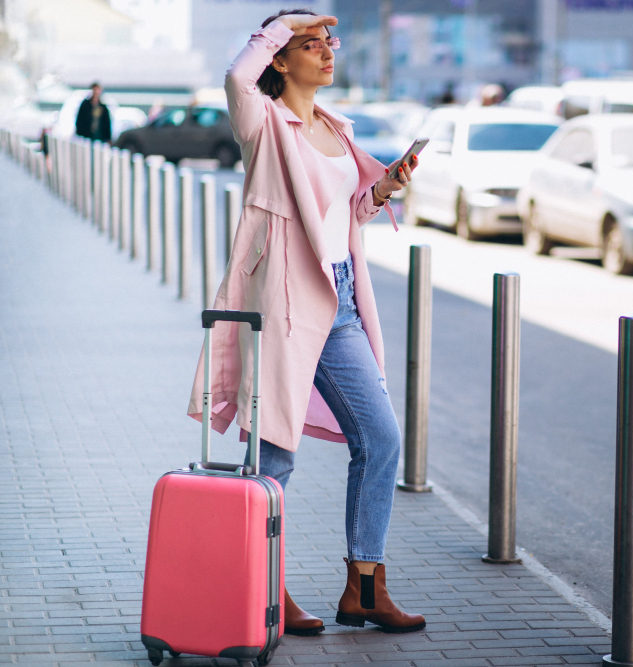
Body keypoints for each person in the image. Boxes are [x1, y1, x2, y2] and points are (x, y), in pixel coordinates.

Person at [186, 8, 423, 636]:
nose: (326, 52)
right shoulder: (265, 123)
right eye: (309, 45)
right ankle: (267, 591)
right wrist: (283, 23)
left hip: (339, 299)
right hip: (288, 306)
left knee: (381, 439)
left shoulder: (336, 129)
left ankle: (363, 587)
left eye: (328, 42)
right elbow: (237, 78)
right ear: (280, 61)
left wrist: (381, 190)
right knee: (276, 455)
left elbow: (339, 217)